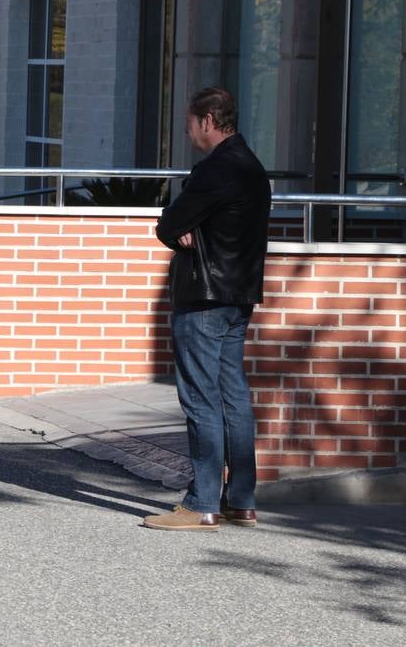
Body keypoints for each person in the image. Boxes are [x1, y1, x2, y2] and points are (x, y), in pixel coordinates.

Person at [145, 87, 270, 532]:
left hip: (204, 299)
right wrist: (186, 228)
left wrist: (181, 229)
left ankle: (201, 503)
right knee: (232, 396)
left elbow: (168, 223)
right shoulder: (252, 167)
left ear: (209, 120)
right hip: (238, 297)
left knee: (201, 398)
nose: (186, 129)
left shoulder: (216, 169)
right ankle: (241, 500)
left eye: (191, 121)